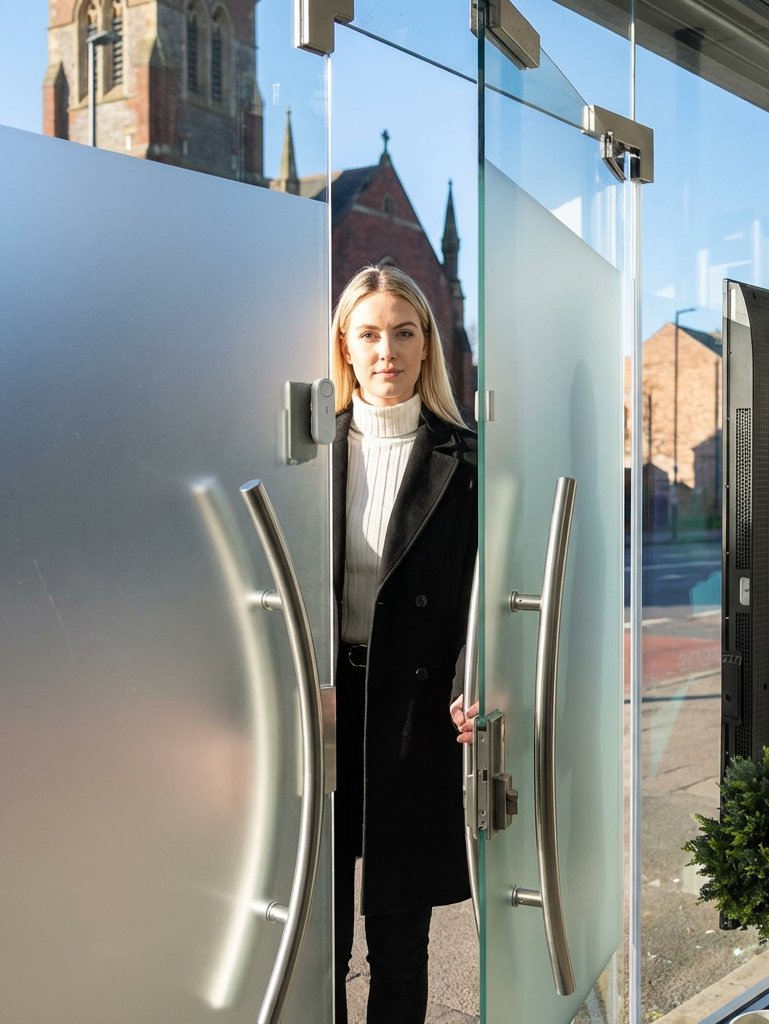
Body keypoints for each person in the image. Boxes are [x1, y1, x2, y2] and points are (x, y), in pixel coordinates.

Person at [330, 264, 477, 1024]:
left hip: (414, 713)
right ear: (346, 349)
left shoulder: (469, 460)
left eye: (404, 332)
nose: (386, 350)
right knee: (311, 932)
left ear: (427, 348)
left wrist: (473, 680)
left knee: (397, 938)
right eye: (369, 334)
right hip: (325, 704)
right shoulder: (306, 455)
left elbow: (482, 597)